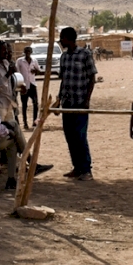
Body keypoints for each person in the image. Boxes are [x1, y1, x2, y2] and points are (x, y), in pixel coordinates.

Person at [54, 27, 97, 181]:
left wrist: (87, 100)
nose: (60, 40)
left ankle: (86, 170)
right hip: (67, 103)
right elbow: (63, 80)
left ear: (68, 38)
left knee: (80, 136)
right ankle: (77, 167)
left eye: (62, 38)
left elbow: (92, 78)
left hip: (80, 102)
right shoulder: (64, 57)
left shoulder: (85, 54)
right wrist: (58, 100)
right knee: (70, 136)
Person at [0, 39, 19, 122]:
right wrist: (8, 74)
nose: (6, 52)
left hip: (8, 103)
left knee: (12, 129)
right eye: (4, 50)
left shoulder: (5, 62)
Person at [16, 46, 42, 129]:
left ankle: (34, 121)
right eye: (26, 51)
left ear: (31, 52)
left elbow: (38, 71)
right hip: (24, 85)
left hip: (32, 84)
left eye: (29, 51)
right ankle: (25, 123)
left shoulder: (34, 60)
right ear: (24, 52)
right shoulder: (20, 61)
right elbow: (17, 73)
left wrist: (35, 71)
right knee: (24, 105)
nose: (27, 53)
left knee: (35, 103)